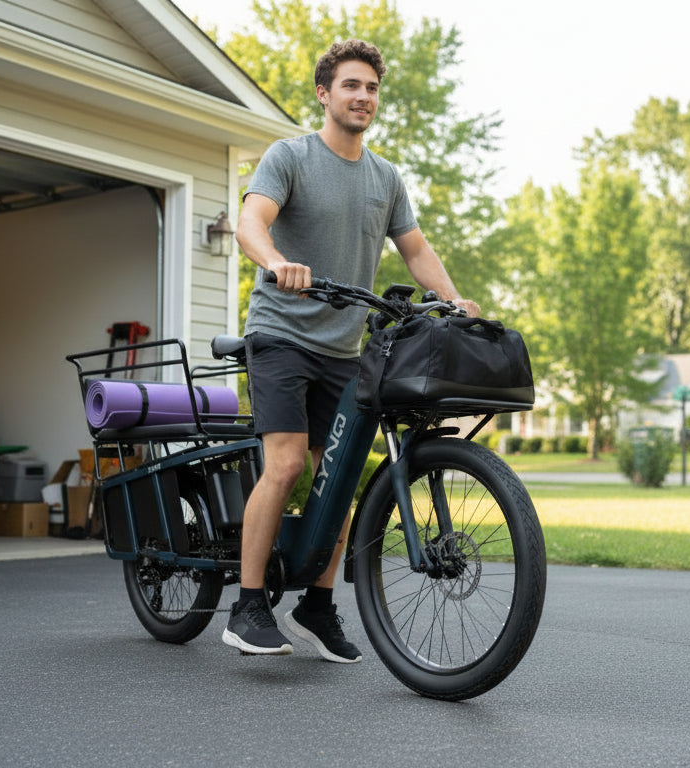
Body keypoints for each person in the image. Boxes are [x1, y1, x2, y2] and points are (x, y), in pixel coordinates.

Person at [223, 39, 480, 662]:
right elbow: (251, 222)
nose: (363, 96)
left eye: (371, 88)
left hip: (343, 349)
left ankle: (316, 605)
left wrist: (452, 299)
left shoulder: (384, 177)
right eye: (351, 85)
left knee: (337, 474)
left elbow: (415, 249)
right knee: (287, 464)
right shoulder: (290, 156)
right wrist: (277, 261)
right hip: (281, 335)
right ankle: (248, 606)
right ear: (324, 93)